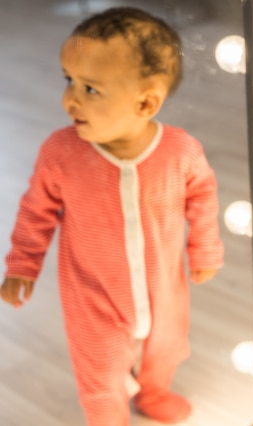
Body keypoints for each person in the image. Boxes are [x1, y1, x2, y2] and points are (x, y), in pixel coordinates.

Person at [0, 7, 223, 425]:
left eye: (91, 89)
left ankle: (154, 392)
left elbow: (203, 197)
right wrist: (22, 265)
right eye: (69, 80)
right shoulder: (61, 153)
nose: (71, 98)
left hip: (165, 287)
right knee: (100, 372)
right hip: (93, 293)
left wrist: (205, 248)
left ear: (145, 101)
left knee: (168, 348)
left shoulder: (181, 152)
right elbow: (35, 213)